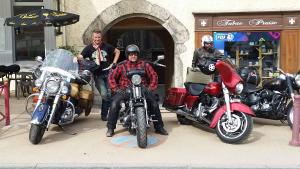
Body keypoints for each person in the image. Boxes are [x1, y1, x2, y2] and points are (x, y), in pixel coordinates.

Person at [105, 44, 168, 137]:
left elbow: (154, 76)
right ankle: (110, 128)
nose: (133, 56)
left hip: (143, 89)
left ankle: (159, 127)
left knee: (154, 104)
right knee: (114, 104)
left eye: (135, 54)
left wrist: (150, 88)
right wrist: (116, 89)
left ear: (137, 54)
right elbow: (111, 77)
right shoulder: (121, 65)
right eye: (131, 54)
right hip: (125, 89)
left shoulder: (144, 64)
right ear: (127, 55)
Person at [78, 29, 120, 121]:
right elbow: (81, 57)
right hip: (98, 75)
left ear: (101, 38)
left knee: (110, 93)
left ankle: (105, 115)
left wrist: (114, 63)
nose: (97, 39)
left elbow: (117, 51)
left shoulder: (106, 46)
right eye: (95, 37)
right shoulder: (88, 48)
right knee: (105, 94)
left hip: (108, 73)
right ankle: (112, 112)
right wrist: (76, 58)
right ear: (92, 38)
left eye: (99, 37)